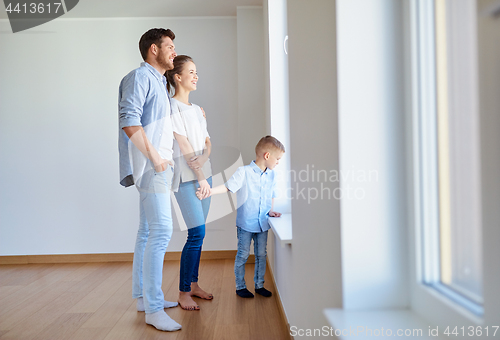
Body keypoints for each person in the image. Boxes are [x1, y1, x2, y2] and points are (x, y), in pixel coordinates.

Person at [118, 28, 181, 332]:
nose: (174, 51)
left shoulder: (159, 83)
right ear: (153, 50)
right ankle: (154, 310)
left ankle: (144, 298)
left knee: (146, 232)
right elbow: (129, 121)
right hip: (151, 167)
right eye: (169, 46)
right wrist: (155, 159)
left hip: (158, 167)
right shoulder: (140, 77)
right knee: (161, 231)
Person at [197, 136, 284, 298]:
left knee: (261, 254)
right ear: (267, 156)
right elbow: (228, 187)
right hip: (246, 223)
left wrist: (271, 210)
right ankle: (240, 286)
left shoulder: (272, 175)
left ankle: (259, 285)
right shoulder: (244, 172)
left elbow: (272, 194)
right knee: (243, 254)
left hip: (263, 223)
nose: (278, 162)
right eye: (277, 159)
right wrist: (209, 191)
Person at [166, 55, 214, 310]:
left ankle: (193, 285)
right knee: (196, 233)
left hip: (205, 177)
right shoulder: (171, 107)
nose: (196, 76)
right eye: (191, 72)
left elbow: (207, 143)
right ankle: (183, 292)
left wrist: (205, 161)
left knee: (200, 235)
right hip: (188, 180)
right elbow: (184, 146)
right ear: (178, 77)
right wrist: (200, 175)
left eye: (197, 72)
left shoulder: (197, 110)